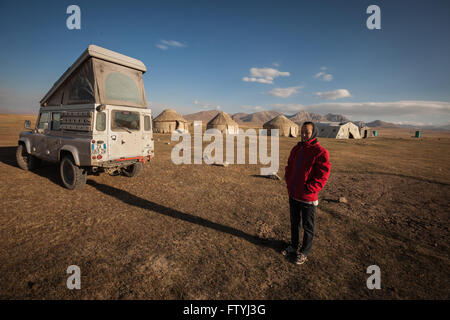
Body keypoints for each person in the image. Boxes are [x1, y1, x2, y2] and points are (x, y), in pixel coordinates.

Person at [282, 122, 331, 265]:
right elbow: (289, 166)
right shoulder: (296, 149)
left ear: (313, 133)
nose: (303, 135)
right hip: (293, 193)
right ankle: (293, 246)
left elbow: (323, 175)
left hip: (307, 197)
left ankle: (304, 252)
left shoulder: (320, 152)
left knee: (308, 226)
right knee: (294, 222)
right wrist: (288, 181)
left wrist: (310, 189)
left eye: (307, 132)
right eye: (302, 132)